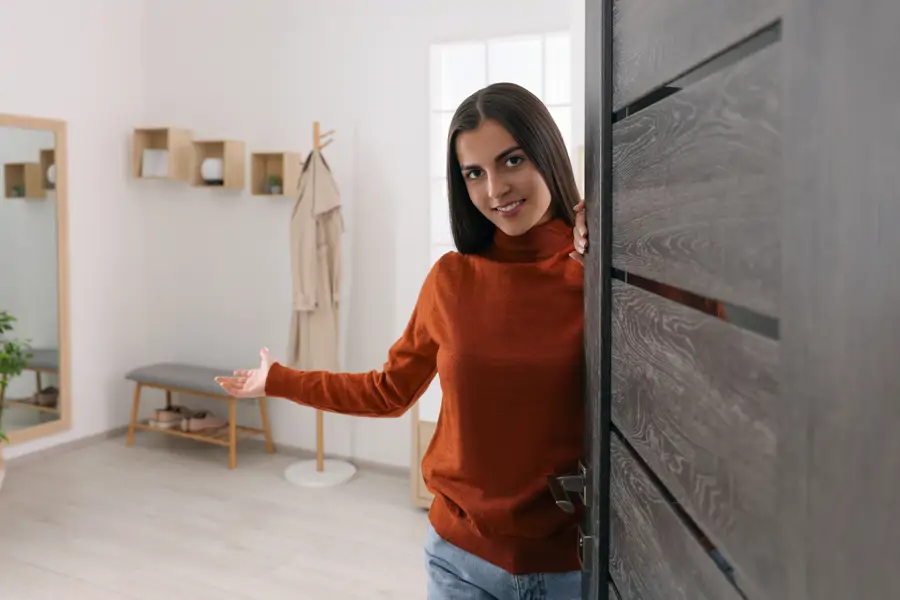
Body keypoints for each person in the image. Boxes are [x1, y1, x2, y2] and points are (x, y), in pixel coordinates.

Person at [215, 82, 591, 600]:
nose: (495, 190)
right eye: (474, 173)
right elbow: (388, 391)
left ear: (546, 153)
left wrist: (630, 228)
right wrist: (279, 380)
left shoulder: (594, 276)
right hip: (458, 562)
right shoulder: (452, 280)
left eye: (512, 160)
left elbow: (705, 318)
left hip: (569, 570)